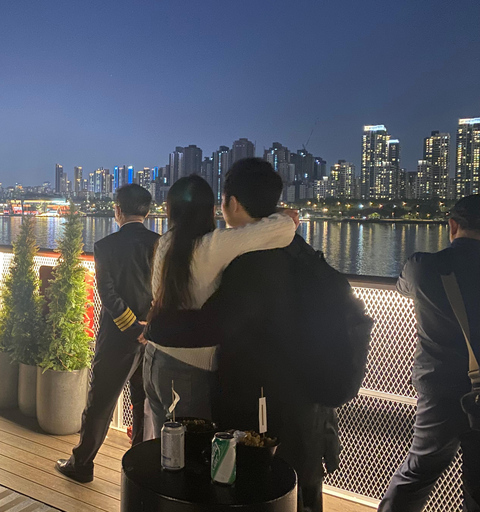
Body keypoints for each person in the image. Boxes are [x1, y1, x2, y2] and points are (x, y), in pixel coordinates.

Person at [145, 159, 349, 512]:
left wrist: (155, 329)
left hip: (163, 364)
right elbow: (277, 234)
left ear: (232, 203)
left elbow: (215, 321)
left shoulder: (166, 244)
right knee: (197, 464)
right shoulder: (233, 248)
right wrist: (286, 218)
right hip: (288, 393)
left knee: (169, 452)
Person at [143, 173, 296, 434]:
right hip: (188, 369)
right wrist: (281, 213)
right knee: (188, 455)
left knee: (163, 446)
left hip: (154, 359)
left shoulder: (164, 243)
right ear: (211, 210)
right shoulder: (212, 246)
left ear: (170, 209)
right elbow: (283, 230)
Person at [379, 195, 480, 512]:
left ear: (452, 226)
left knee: (419, 473)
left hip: (441, 390)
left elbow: (403, 287)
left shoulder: (424, 267)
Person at [55, 184, 160, 483]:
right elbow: (166, 289)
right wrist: (148, 327)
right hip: (153, 337)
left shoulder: (105, 246)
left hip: (118, 337)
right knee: (143, 403)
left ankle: (82, 465)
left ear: (117, 210)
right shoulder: (160, 243)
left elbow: (108, 294)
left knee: (100, 402)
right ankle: (139, 468)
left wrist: (131, 328)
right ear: (148, 212)